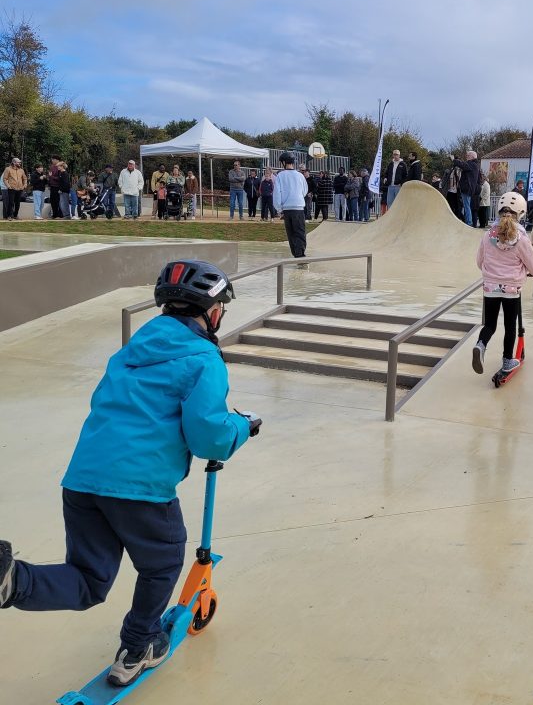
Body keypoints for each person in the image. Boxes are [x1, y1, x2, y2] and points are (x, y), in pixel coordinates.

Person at [0, 260, 259, 687]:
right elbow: (209, 437)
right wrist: (242, 426)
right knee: (162, 561)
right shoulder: (204, 359)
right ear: (211, 312)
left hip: (83, 480)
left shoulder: (129, 352)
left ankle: (11, 580)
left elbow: (109, 407)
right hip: (141, 488)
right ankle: (139, 646)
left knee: (88, 579)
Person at [471, 191, 533, 379]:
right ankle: (507, 360)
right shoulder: (521, 238)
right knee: (510, 325)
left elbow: (479, 261)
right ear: (520, 213)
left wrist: (490, 272)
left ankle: (480, 345)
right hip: (512, 289)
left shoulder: (488, 236)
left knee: (490, 325)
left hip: (490, 288)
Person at [274, 151, 308, 260]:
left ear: (284, 162)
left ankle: (296, 255)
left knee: (291, 234)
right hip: (298, 208)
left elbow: (276, 194)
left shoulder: (280, 175)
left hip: (287, 209)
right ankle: (300, 255)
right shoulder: (300, 176)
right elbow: (305, 191)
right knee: (299, 232)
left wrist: (279, 209)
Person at [453, 150, 480, 227]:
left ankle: (468, 222)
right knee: (466, 205)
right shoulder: (475, 165)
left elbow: (463, 165)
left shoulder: (472, 164)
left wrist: (454, 160)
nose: (466, 157)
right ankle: (468, 221)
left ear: (472, 157)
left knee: (466, 206)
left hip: (467, 188)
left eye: (468, 155)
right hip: (470, 188)